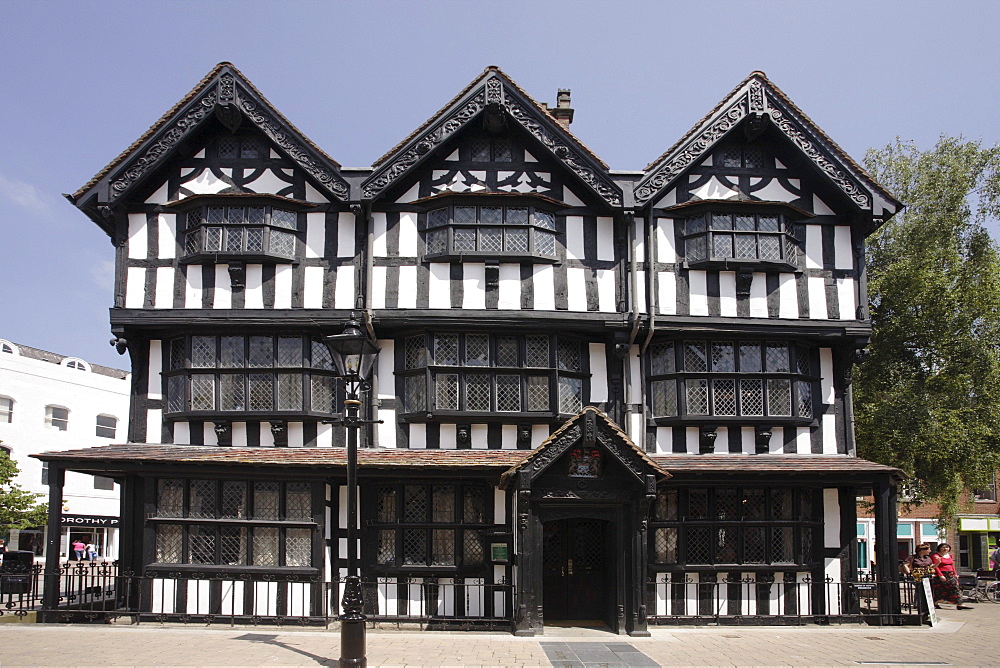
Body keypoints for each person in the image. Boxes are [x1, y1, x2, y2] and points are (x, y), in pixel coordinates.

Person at [930, 543, 971, 610]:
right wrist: (940, 575)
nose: (945, 549)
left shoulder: (949, 556)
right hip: (942, 574)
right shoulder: (936, 556)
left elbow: (952, 565)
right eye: (943, 547)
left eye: (947, 547)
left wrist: (955, 574)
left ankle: (959, 603)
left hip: (950, 574)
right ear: (939, 548)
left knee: (955, 587)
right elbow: (935, 567)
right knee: (945, 589)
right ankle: (937, 602)